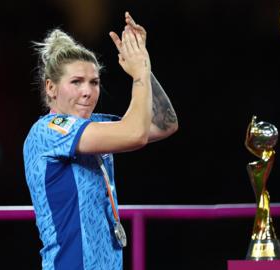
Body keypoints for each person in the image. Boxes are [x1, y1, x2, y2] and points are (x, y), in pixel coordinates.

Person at [23, 11, 178, 270]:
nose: (87, 91)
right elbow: (135, 134)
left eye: (94, 82)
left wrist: (145, 68)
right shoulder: (48, 131)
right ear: (50, 88)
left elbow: (165, 123)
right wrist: (138, 75)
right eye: (76, 82)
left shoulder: (95, 125)